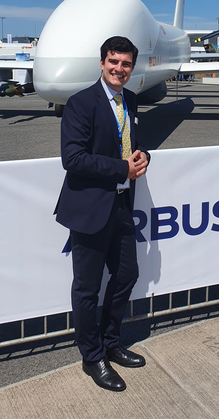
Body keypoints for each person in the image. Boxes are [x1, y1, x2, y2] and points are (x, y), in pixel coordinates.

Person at [55, 36, 150, 392]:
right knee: (87, 288)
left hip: (122, 206)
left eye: (126, 64)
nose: (119, 69)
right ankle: (92, 356)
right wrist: (121, 169)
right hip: (90, 209)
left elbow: (131, 146)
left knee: (127, 274)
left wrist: (143, 159)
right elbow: (73, 159)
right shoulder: (81, 103)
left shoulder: (131, 100)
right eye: (113, 62)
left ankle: (111, 342)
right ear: (102, 63)